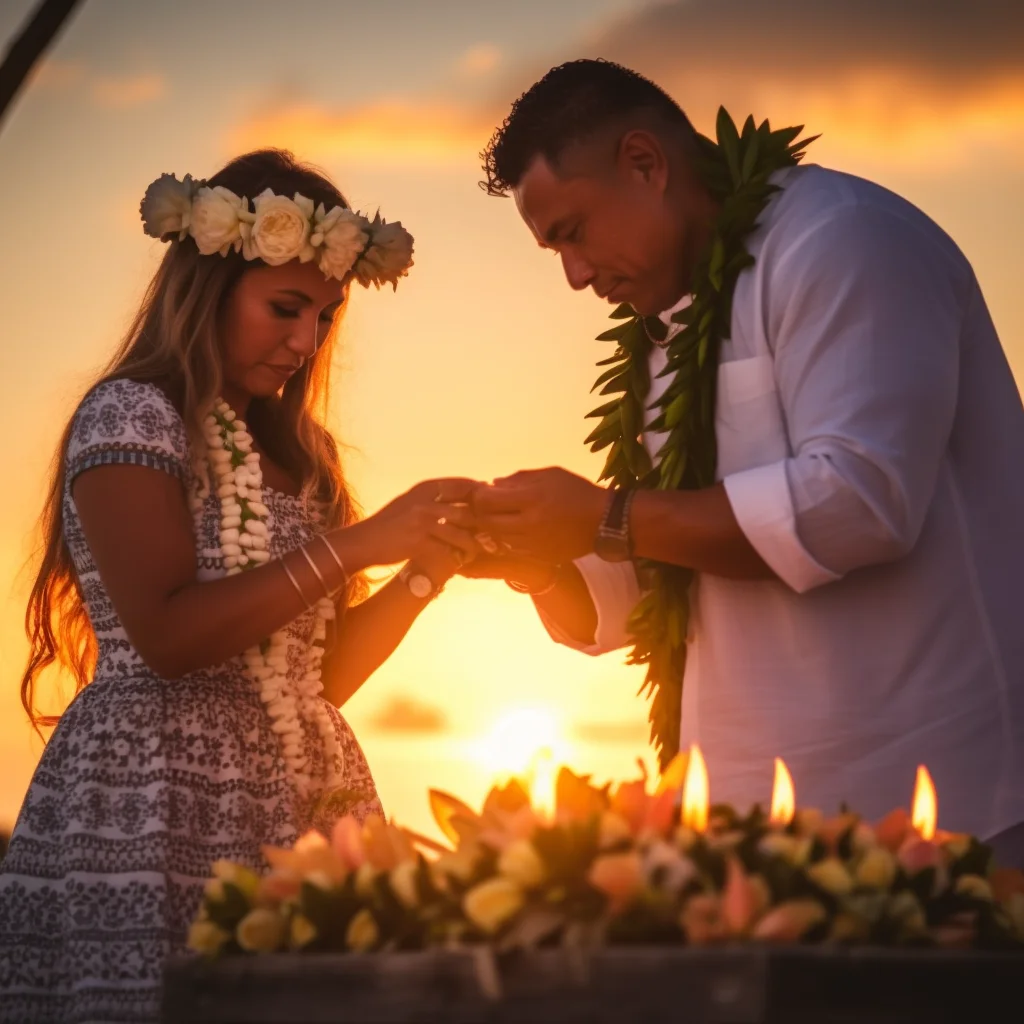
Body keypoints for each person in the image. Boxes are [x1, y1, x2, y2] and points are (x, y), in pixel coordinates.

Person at [462, 60, 1024, 867]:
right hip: (747, 827)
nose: (575, 275)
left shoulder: (846, 239)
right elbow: (674, 559)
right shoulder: (670, 318)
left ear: (645, 164)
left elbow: (860, 504)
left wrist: (603, 515)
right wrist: (543, 560)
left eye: (573, 232)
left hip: (943, 805)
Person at [0, 149, 481, 1023]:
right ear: (208, 286)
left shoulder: (306, 457)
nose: (305, 342)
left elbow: (315, 682)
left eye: (325, 318)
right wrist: (360, 544)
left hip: (304, 804)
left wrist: (425, 566)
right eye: (285, 309)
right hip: (157, 805)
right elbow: (169, 636)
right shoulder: (132, 416)